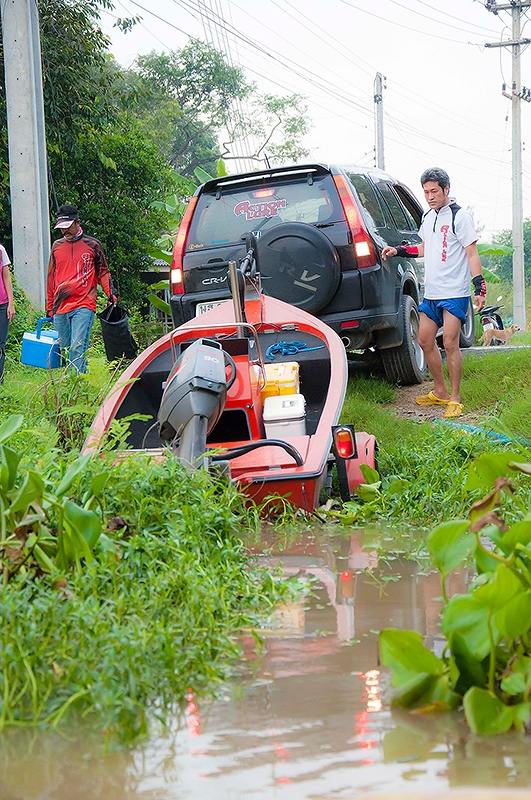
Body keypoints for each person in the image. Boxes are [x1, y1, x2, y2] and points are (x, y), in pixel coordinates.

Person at [382, 167, 486, 419]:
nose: (429, 196)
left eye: (434, 191)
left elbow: (471, 253)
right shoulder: (428, 216)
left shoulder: (460, 217)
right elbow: (424, 248)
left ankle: (456, 397)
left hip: (455, 292)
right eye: (426, 192)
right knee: (425, 340)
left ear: (446, 190)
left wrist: (479, 286)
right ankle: (439, 390)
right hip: (432, 293)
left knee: (449, 342)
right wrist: (399, 250)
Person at [46, 204, 116, 373]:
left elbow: (103, 272)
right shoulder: (57, 246)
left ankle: (74, 385)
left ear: (77, 222)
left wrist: (111, 294)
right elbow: (51, 278)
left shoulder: (92, 245)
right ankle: (78, 385)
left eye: (68, 227)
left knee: (77, 347)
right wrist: (49, 307)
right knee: (65, 349)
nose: (64, 232)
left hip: (84, 304)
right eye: (61, 228)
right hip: (60, 306)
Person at [0, 242, 16, 383]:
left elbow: (6, 276)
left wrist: (11, 303)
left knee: (1, 344)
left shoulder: (0, 250)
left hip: (2, 304)